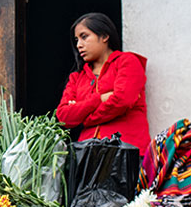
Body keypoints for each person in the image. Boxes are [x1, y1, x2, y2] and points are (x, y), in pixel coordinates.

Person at [56, 12, 151, 154]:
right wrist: (99, 99)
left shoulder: (127, 62)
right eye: (76, 40)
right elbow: (63, 116)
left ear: (105, 36)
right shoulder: (77, 77)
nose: (79, 45)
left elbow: (122, 100)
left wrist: (85, 117)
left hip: (126, 151)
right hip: (88, 155)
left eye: (84, 37)